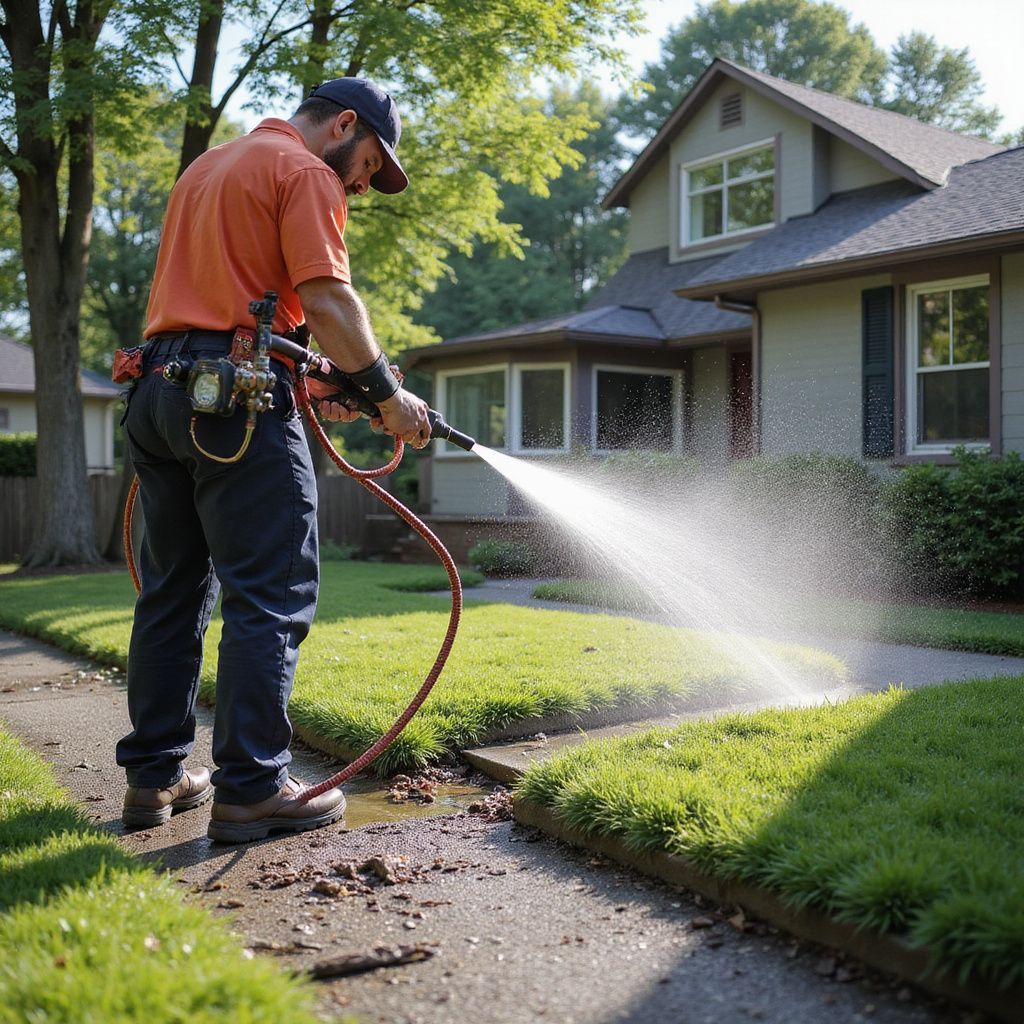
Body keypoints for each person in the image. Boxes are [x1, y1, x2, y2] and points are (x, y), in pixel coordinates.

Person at [117, 77, 431, 843]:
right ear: (344, 126)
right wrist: (387, 396)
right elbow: (326, 299)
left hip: (159, 392)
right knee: (270, 595)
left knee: (171, 592)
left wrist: (318, 377)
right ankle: (254, 787)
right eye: (369, 164)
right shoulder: (305, 173)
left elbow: (230, 302)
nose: (362, 184)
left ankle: (155, 779)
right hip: (234, 408)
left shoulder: (208, 168)